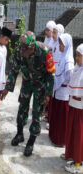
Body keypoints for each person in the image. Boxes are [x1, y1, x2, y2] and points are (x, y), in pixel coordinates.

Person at [1, 31, 55, 156]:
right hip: (26, 82)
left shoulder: (44, 52)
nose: (21, 51)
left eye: (24, 49)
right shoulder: (20, 50)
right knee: (22, 108)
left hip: (40, 84)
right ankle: (20, 134)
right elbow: (14, 70)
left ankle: (31, 142)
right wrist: (7, 88)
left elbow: (50, 74)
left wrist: (47, 93)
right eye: (21, 47)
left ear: (31, 48)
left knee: (36, 113)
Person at [49, 33, 74, 147]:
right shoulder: (63, 56)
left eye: (61, 44)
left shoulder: (69, 59)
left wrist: (63, 83)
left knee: (62, 118)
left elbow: (69, 75)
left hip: (63, 92)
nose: (59, 46)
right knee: (56, 115)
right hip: (58, 91)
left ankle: (60, 139)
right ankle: (54, 136)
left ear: (67, 45)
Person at [64, 44, 83, 173]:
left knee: (79, 135)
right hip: (74, 105)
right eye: (76, 55)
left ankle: (78, 164)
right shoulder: (78, 68)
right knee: (72, 133)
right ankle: (72, 156)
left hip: (80, 109)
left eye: (79, 56)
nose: (76, 58)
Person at [45, 24, 65, 127]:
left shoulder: (61, 47)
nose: (53, 34)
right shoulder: (54, 43)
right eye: (52, 32)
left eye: (55, 32)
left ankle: (50, 119)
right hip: (53, 73)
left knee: (53, 98)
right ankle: (49, 117)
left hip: (57, 75)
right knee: (50, 96)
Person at [0, 22, 12, 87]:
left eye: (8, 40)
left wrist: (3, 81)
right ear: (1, 36)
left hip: (0, 77)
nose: (6, 42)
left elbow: (3, 66)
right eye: (6, 39)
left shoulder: (4, 49)